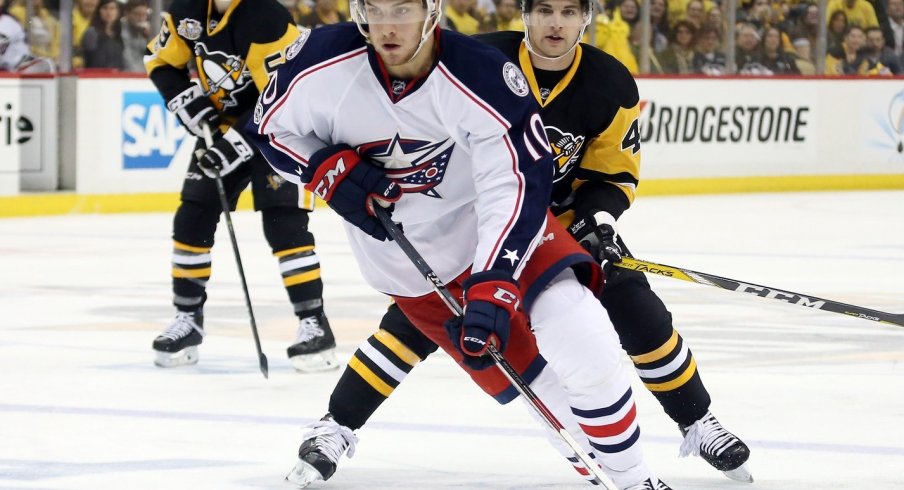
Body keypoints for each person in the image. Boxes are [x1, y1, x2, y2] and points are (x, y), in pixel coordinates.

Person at [259, 0, 756, 486]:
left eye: (566, 12)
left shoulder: (595, 80)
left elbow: (597, 175)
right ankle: (338, 423)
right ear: (524, 15)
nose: (554, 24)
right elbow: (273, 130)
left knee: (625, 310)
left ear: (585, 18)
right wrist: (320, 168)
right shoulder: (482, 57)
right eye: (544, 11)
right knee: (411, 329)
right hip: (444, 237)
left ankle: (696, 421)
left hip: (548, 222)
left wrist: (596, 220)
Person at [144, 0, 337, 372]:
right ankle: (187, 319)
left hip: (282, 129)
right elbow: (160, 60)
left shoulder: (266, 17)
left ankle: (315, 324)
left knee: (285, 225)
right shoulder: (186, 9)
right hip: (220, 127)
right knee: (191, 218)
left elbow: (279, 97)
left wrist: (233, 145)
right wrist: (192, 106)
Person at [81, 0, 124, 69]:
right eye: (105, 8)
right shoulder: (92, 33)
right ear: (99, 11)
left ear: (118, 12)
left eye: (112, 8)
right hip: (97, 76)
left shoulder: (119, 33)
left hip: (117, 77)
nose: (109, 12)